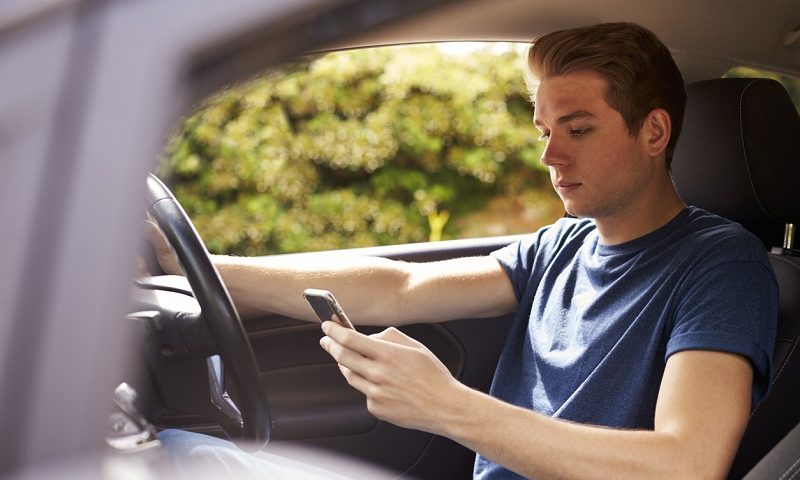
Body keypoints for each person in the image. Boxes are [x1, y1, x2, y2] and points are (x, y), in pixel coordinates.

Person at [152, 22, 777, 479]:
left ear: (654, 131)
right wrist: (192, 266)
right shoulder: (561, 246)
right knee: (172, 453)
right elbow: (400, 289)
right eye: (544, 131)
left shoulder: (721, 264)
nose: (550, 156)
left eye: (579, 130)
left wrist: (447, 406)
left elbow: (686, 464)